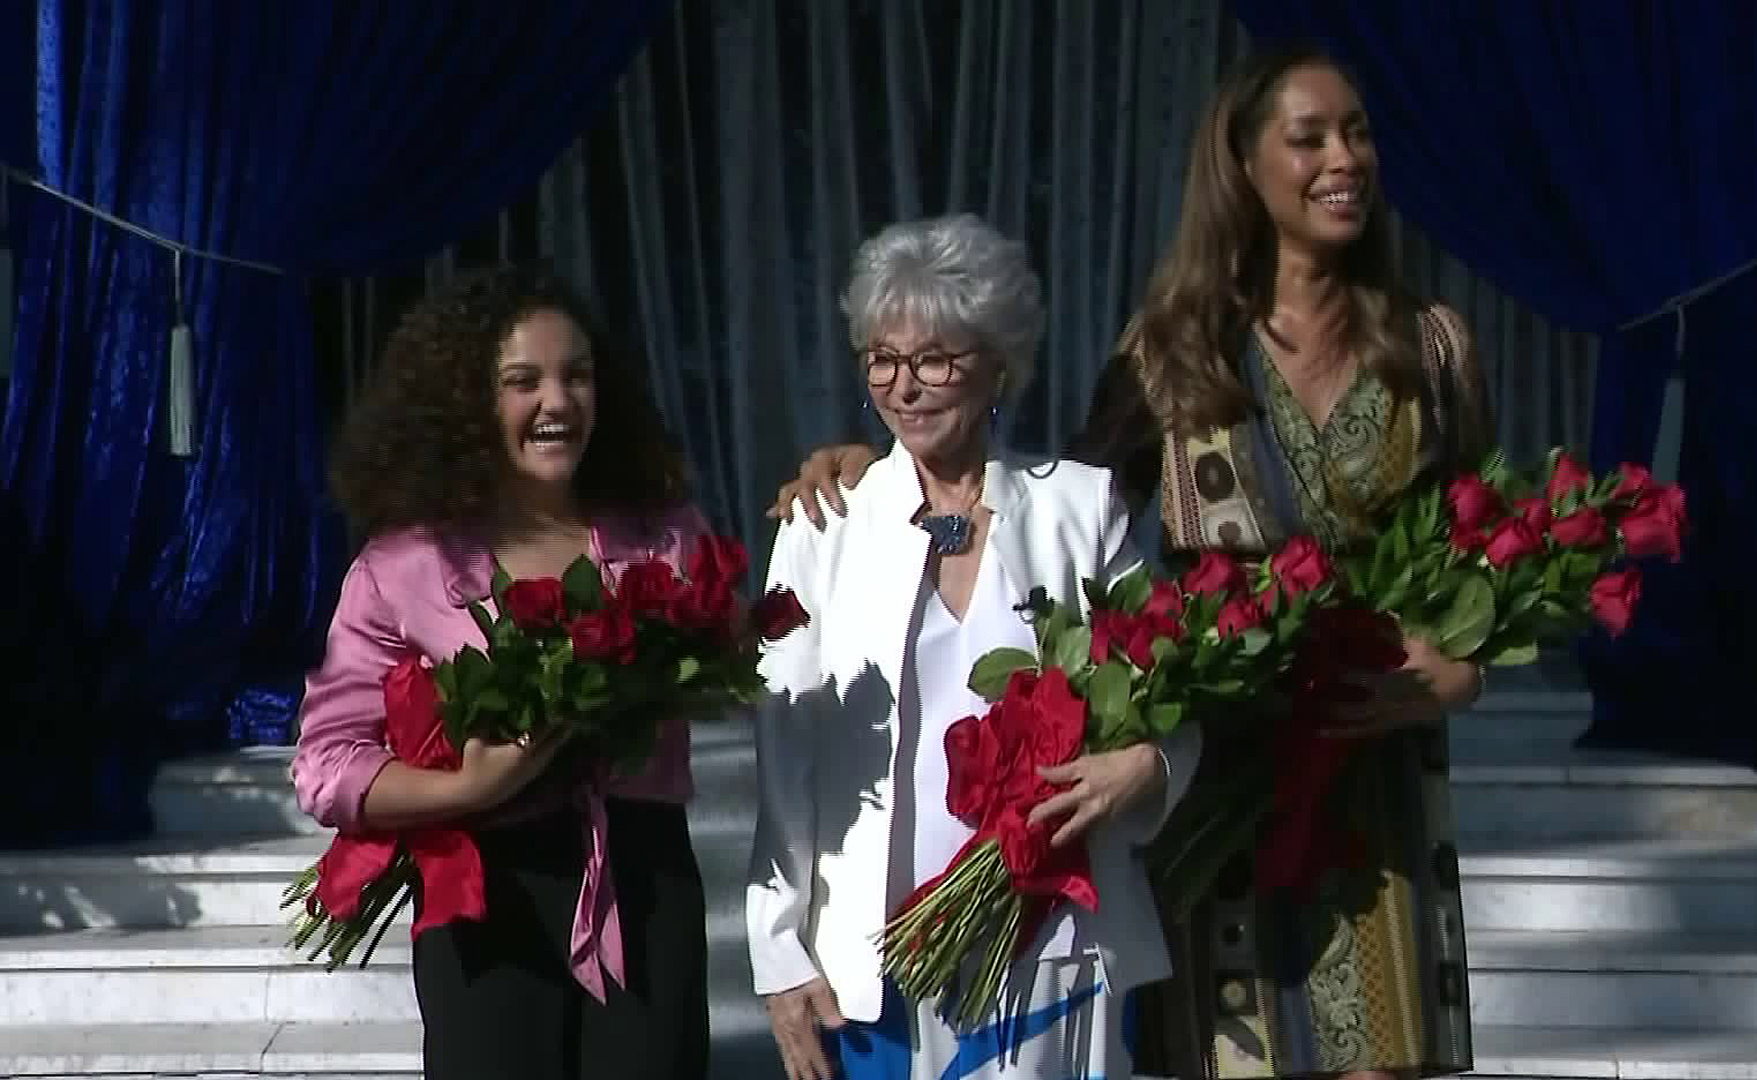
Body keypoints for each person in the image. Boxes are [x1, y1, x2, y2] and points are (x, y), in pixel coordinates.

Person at [767, 47, 1492, 1080]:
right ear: (1245, 168)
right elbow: (1052, 521)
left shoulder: (1433, 349)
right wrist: (876, 464)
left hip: (1377, 782)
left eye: (1360, 132)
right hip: (1224, 799)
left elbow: (1491, 544)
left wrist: (1464, 669)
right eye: (1311, 136)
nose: (1346, 157)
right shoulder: (1171, 357)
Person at [746, 213, 1203, 1080]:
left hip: (1058, 939)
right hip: (874, 960)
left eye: (935, 359)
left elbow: (1171, 689)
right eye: (882, 359)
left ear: (998, 362)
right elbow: (785, 754)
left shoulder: (1083, 510)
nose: (904, 386)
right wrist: (780, 955)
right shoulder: (822, 524)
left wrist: (1152, 766)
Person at [291, 265, 710, 1080]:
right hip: (486, 896)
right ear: (469, 406)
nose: (558, 402)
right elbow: (327, 765)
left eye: (578, 376)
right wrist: (466, 790)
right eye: (524, 382)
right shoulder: (403, 565)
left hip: (645, 878)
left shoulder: (665, 537)